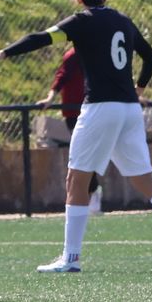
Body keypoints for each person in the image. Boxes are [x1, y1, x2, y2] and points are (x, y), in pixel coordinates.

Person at [0, 0, 152, 273]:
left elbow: (41, 38)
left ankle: (71, 259)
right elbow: (151, 57)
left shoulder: (81, 21)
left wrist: (1, 54)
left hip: (100, 108)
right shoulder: (123, 21)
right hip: (128, 109)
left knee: (76, 179)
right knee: (144, 179)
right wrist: (140, 88)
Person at [37, 44, 102, 212]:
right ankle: (91, 192)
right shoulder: (73, 55)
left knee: (89, 155)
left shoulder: (98, 52)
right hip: (75, 114)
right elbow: (62, 76)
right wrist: (50, 98)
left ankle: (93, 192)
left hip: (94, 110)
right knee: (83, 155)